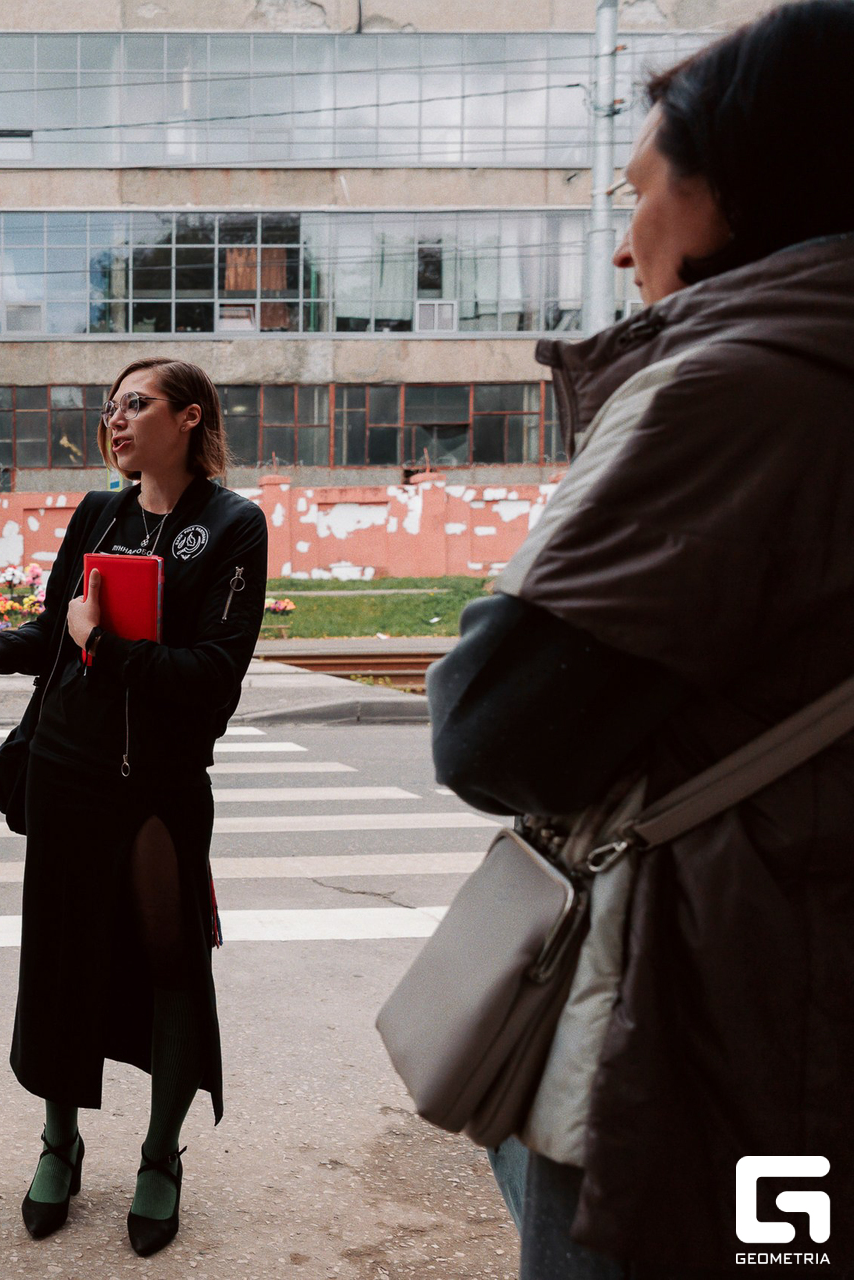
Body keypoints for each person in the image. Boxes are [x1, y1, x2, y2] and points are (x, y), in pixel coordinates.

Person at [427, 3, 854, 1275]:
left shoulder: (740, 385)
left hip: (700, 1007)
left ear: (736, 194)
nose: (625, 245)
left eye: (642, 195)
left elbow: (489, 727)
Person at [0, 357, 267, 1257]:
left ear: (189, 416)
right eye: (110, 407)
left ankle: (160, 1154)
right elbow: (56, 630)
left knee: (171, 961)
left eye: (136, 404)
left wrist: (106, 649)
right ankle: (58, 1142)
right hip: (67, 767)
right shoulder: (99, 513)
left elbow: (213, 677)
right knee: (62, 960)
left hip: (157, 783)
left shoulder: (232, 525)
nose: (116, 420)